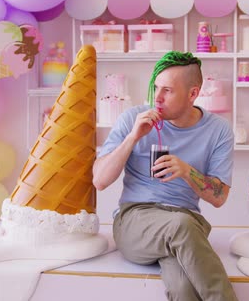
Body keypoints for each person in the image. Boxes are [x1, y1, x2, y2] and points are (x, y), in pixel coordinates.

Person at [93, 51, 237, 301]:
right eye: (156, 87)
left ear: (193, 94)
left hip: (186, 223)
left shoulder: (219, 130)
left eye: (167, 90)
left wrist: (186, 171)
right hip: (135, 220)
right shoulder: (132, 119)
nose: (156, 98)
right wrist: (133, 137)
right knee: (181, 226)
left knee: (182, 288)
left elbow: (220, 197)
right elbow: (100, 180)